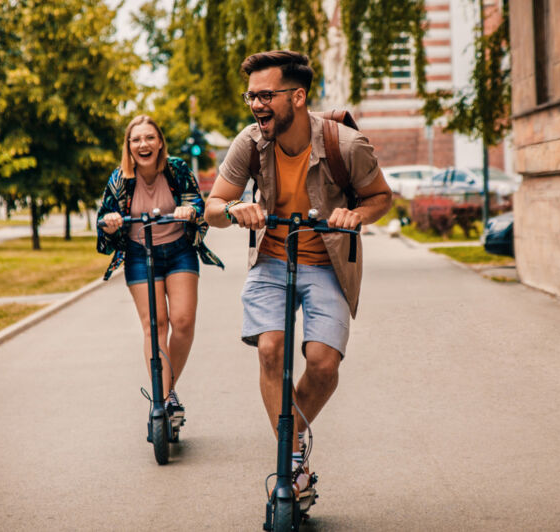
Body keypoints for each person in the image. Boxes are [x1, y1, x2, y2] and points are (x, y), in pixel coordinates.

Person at [205, 51, 392, 498]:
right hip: (271, 259)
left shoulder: (346, 145)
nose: (256, 105)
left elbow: (382, 197)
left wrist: (355, 214)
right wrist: (234, 209)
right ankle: (291, 465)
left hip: (327, 262)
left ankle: (290, 444)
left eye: (266, 95)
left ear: (298, 96)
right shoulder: (249, 143)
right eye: (251, 96)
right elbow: (212, 208)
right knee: (270, 349)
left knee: (324, 366)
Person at [97, 114, 224, 423]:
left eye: (150, 138)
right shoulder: (119, 180)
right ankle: (165, 400)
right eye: (137, 139)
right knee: (156, 325)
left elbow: (198, 206)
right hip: (141, 255)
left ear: (160, 142)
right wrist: (111, 224)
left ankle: (166, 392)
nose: (144, 144)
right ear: (129, 146)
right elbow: (103, 228)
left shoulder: (176, 169)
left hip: (179, 251)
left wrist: (188, 210)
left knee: (182, 321)